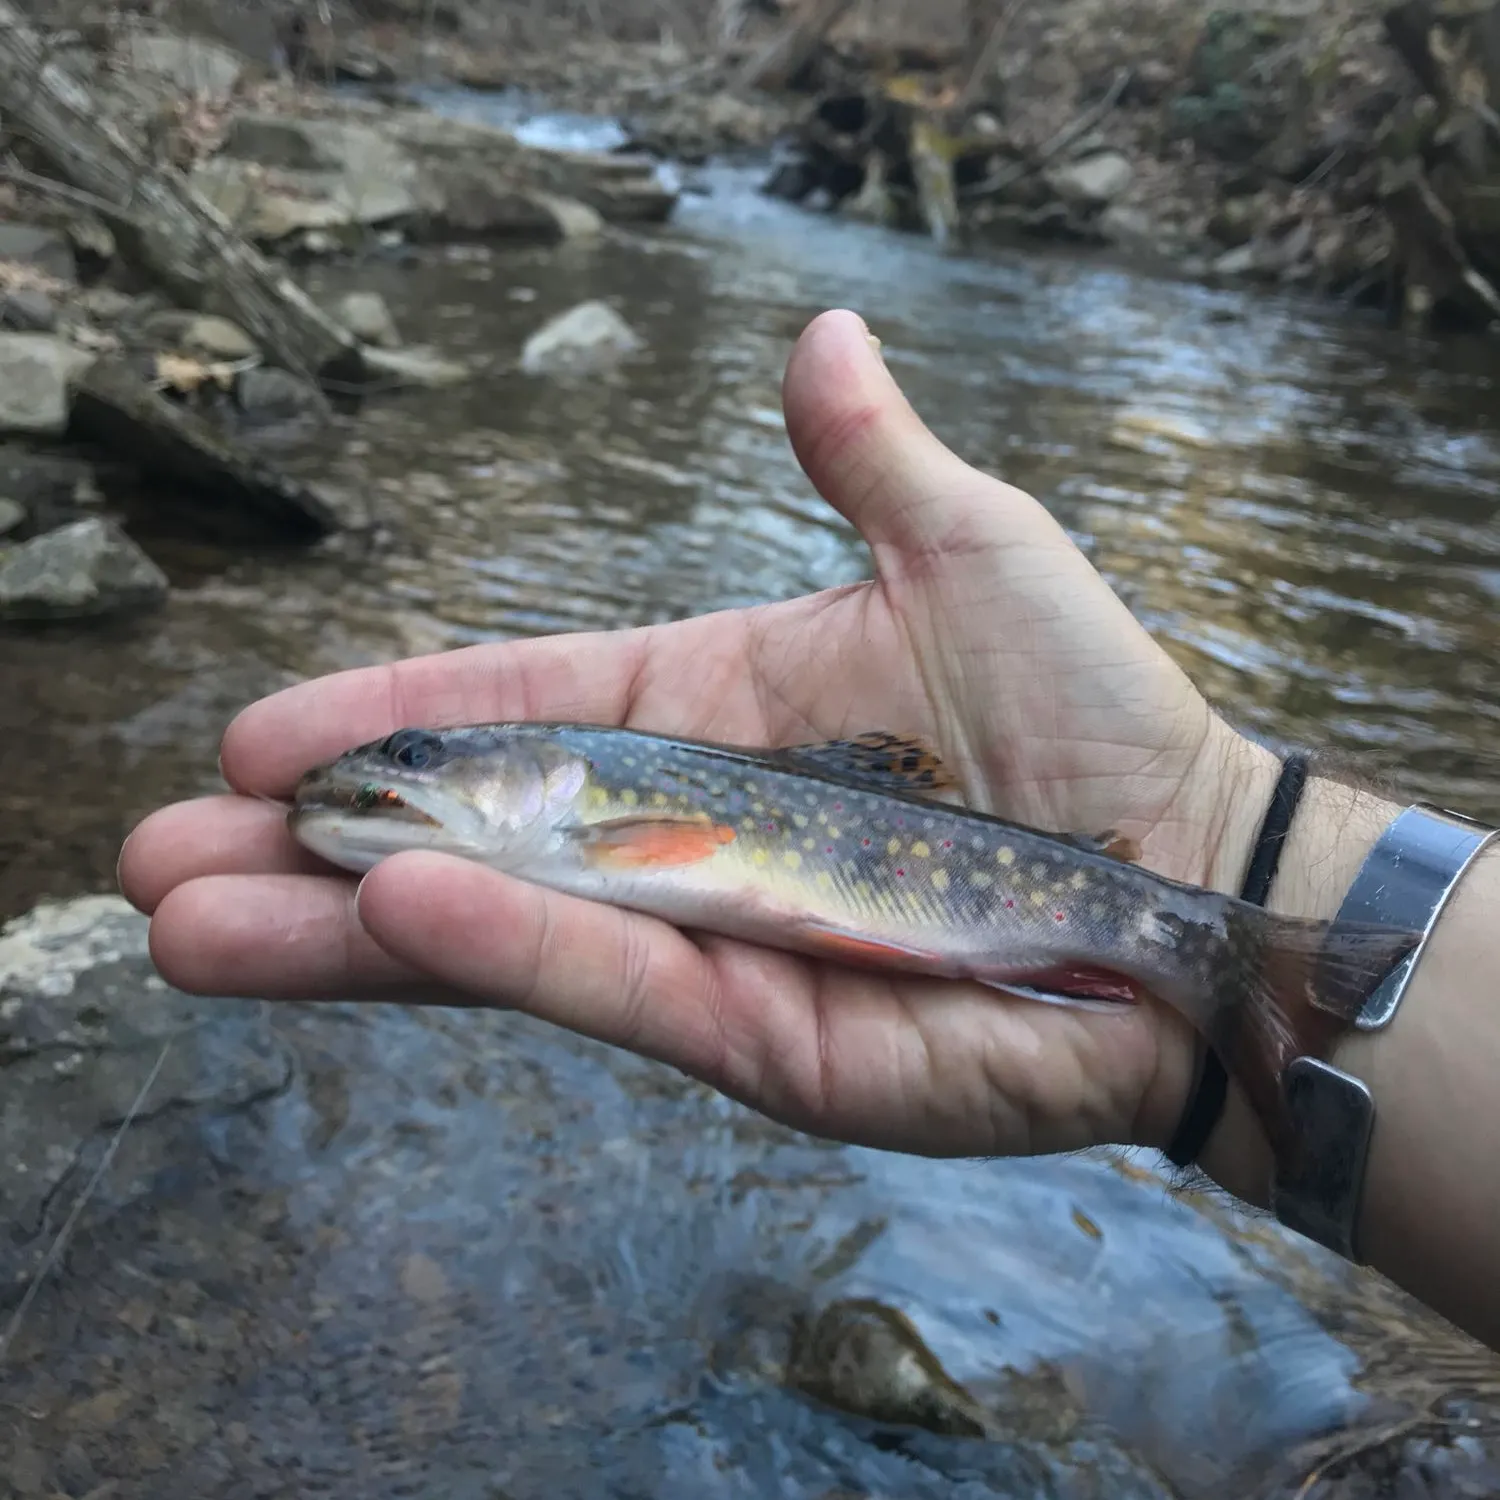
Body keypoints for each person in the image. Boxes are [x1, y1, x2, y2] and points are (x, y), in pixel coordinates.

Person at [119, 308, 1500, 1353]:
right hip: (1050, 915)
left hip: (1046, 905)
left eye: (422, 755)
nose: (398, 772)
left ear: (539, 766)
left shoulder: (606, 812)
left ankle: (1236, 951)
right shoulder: (570, 818)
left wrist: (1238, 847)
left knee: (1177, 936)